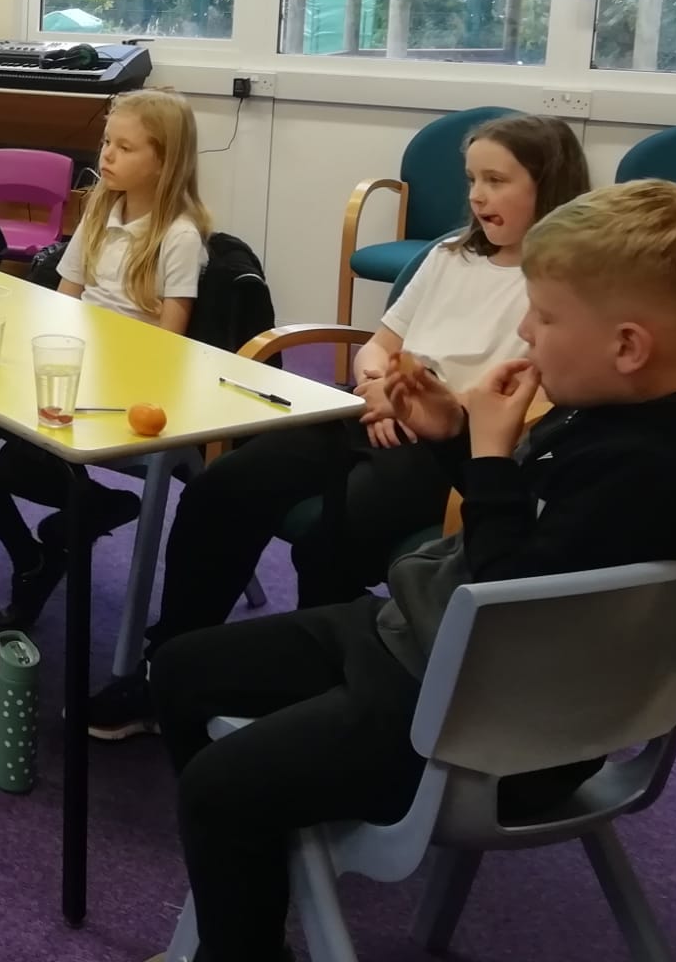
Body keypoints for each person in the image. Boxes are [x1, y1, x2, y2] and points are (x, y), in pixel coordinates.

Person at [147, 179, 676, 962]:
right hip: (443, 652)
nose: (525, 332)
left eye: (546, 316)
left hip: (478, 716)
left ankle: (250, 875)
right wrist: (454, 438)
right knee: (181, 668)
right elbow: (552, 541)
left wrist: (494, 457)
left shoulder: (649, 468)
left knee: (218, 789)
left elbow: (509, 602)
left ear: (628, 345)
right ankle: (264, 849)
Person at [88, 113, 590, 740]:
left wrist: (417, 403)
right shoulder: (448, 256)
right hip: (371, 410)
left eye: (497, 180)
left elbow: (521, 397)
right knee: (226, 485)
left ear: (550, 185)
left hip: (453, 440)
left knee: (334, 532)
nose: (477, 196)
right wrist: (380, 386)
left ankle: (310, 691)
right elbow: (377, 347)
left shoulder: (557, 286)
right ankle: (166, 666)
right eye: (472, 179)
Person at [0, 88, 212, 632]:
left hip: (124, 386)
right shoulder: (100, 211)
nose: (106, 155)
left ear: (164, 161)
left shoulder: (178, 238)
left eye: (125, 147)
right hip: (71, 368)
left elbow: (168, 344)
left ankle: (93, 513)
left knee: (16, 462)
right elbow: (62, 302)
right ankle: (33, 557)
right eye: (108, 142)